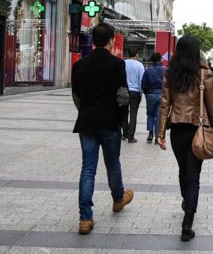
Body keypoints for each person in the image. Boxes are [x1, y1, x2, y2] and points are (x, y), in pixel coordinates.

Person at [71, 23, 133, 234]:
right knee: (112, 163)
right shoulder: (117, 64)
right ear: (111, 41)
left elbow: (76, 95)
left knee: (88, 168)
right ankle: (118, 199)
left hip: (87, 121)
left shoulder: (80, 65)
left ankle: (85, 217)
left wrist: (85, 111)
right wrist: (120, 118)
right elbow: (123, 96)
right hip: (109, 122)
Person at [157, 36, 213, 242]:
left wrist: (160, 133)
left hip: (177, 130)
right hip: (197, 129)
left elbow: (164, 105)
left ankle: (187, 201)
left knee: (183, 170)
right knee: (193, 175)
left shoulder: (171, 73)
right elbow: (211, 106)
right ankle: (187, 223)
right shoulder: (204, 74)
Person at [141, 52, 166, 144]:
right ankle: (157, 136)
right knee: (158, 115)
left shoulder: (148, 70)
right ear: (160, 59)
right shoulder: (165, 70)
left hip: (150, 94)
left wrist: (146, 93)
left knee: (150, 114)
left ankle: (150, 133)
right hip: (161, 94)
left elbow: (143, 84)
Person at [120, 48, 144, 143]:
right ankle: (131, 136)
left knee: (124, 113)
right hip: (135, 92)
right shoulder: (140, 65)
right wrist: (141, 92)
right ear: (136, 55)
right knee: (133, 114)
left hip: (124, 91)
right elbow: (141, 80)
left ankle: (124, 134)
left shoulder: (123, 63)